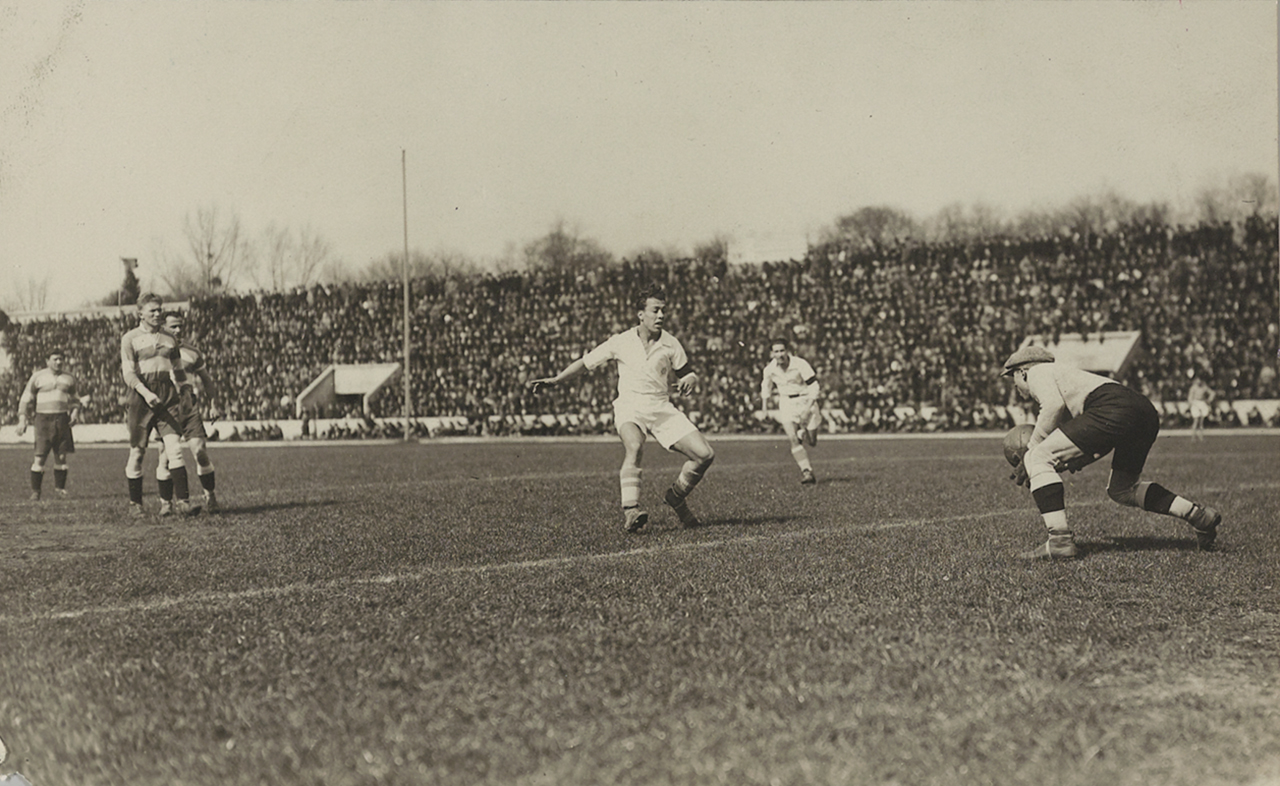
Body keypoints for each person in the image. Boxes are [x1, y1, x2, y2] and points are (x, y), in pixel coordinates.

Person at [1002, 346, 1222, 560]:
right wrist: (1075, 459)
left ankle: (1059, 540)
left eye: (1015, 382)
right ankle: (1198, 516)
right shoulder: (1070, 380)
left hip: (1112, 408)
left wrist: (1031, 452)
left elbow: (1052, 407)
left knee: (1037, 456)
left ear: (1023, 371)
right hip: (1143, 411)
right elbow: (1095, 435)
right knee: (1123, 489)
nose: (1018, 390)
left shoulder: (1038, 371)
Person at [526, 282, 715, 532]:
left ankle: (676, 497)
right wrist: (557, 379)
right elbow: (585, 363)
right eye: (655, 310)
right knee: (635, 446)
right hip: (630, 406)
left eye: (663, 311)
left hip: (660, 407)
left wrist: (689, 380)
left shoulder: (671, 343)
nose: (661, 316)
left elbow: (688, 372)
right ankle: (631, 510)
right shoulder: (621, 341)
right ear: (641, 314)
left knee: (705, 455)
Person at [121, 293, 200, 517]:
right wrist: (146, 394)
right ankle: (135, 505)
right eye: (152, 311)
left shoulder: (169, 338)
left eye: (159, 310)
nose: (157, 314)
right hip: (140, 396)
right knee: (137, 453)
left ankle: (183, 502)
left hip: (167, 395)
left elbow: (178, 370)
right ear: (140, 313)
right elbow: (128, 373)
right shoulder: (129, 339)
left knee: (174, 449)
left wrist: (185, 390)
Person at [153, 311, 220, 514]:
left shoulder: (192, 352)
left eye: (181, 325)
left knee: (199, 450)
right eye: (173, 326)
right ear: (163, 327)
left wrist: (214, 404)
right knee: (164, 456)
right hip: (165, 408)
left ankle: (210, 495)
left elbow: (207, 379)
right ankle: (166, 503)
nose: (179, 330)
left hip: (188, 406)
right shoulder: (156, 352)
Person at [15, 349, 81, 500]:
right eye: (55, 359)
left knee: (62, 456)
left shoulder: (69, 378)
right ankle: (36, 491)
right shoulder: (38, 377)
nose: (59, 362)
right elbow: (26, 397)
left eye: (61, 359)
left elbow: (76, 399)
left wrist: (75, 412)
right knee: (40, 457)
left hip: (62, 419)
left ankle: (60, 489)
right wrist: (22, 418)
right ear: (47, 361)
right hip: (43, 420)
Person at [760, 338, 822, 485]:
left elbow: (814, 386)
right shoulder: (769, 370)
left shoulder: (800, 364)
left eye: (782, 350)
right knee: (793, 439)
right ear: (772, 354)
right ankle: (807, 472)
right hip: (787, 402)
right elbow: (766, 387)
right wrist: (764, 408)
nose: (780, 354)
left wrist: (808, 408)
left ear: (787, 351)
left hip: (806, 400)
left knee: (812, 441)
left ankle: (803, 433)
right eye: (776, 351)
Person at [1186, 375, 1215, 441]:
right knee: (1196, 420)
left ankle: (1201, 437)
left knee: (1201, 421)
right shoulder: (1193, 388)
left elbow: (1212, 393)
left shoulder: (1204, 387)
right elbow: (1190, 397)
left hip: (1202, 402)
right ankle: (1193, 437)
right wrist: (1191, 403)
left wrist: (1208, 400)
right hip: (1195, 403)